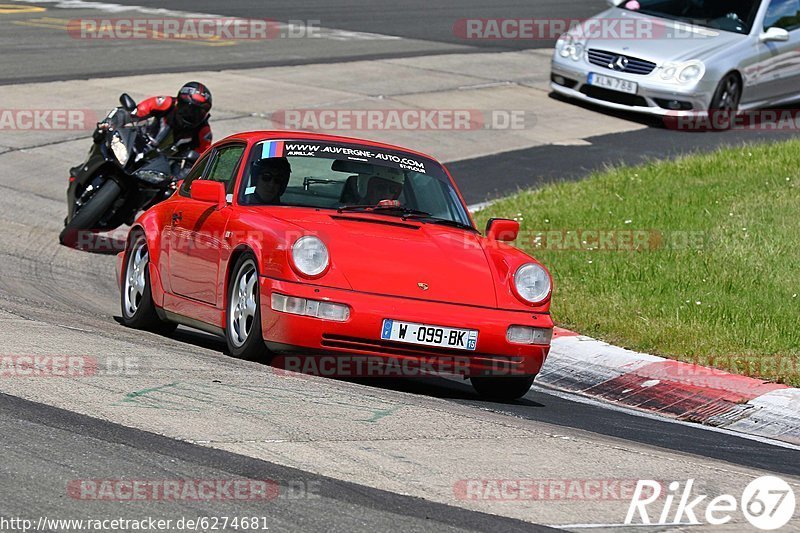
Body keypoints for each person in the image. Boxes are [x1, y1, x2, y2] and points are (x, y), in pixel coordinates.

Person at [132, 81, 213, 155]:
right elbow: (141, 109)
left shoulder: (204, 131)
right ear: (178, 103)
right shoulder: (166, 103)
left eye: (197, 113)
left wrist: (191, 161)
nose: (190, 115)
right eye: (186, 110)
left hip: (169, 163)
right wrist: (127, 114)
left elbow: (203, 155)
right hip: (142, 146)